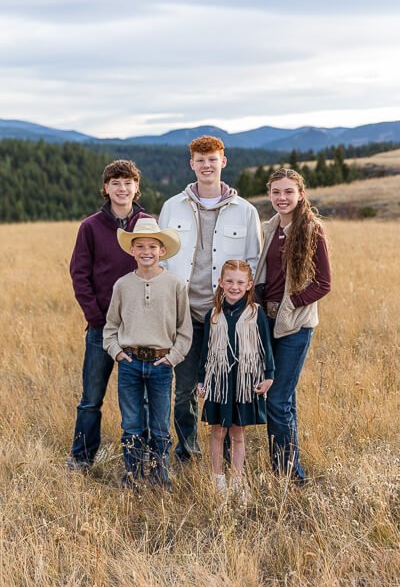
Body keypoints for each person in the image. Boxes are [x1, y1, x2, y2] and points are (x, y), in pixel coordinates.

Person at [158, 135, 262, 464]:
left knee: (227, 387)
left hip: (225, 317)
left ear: (223, 162)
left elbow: (254, 263)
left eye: (212, 159)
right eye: (200, 160)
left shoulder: (245, 211)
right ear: (191, 164)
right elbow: (161, 260)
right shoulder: (172, 207)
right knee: (185, 390)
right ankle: (187, 452)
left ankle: (230, 453)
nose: (206, 166)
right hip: (184, 314)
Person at [68, 159, 150, 470]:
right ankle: (81, 458)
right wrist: (97, 319)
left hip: (140, 328)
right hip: (101, 328)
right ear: (106, 188)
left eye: (128, 182)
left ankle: (141, 457)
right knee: (91, 398)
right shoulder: (91, 226)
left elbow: (156, 271)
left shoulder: (146, 223)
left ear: (136, 187)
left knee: (141, 399)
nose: (122, 188)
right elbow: (80, 275)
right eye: (115, 183)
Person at [254, 167, 331, 484]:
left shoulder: (313, 230)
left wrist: (291, 305)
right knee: (285, 400)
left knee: (277, 399)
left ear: (300, 194)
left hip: (295, 326)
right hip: (266, 322)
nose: (281, 198)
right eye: (275, 192)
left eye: (288, 191)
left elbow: (323, 283)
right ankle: (289, 468)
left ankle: (289, 476)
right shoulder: (270, 227)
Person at [103, 218, 192, 488]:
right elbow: (111, 326)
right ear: (131, 250)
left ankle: (159, 477)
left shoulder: (175, 285)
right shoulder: (122, 285)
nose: (146, 251)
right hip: (129, 362)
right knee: (131, 424)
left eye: (152, 246)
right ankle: (133, 476)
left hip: (161, 364)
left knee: (160, 425)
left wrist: (173, 357)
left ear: (162, 250)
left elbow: (184, 329)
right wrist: (117, 352)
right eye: (140, 246)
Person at [197, 260, 274, 495]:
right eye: (229, 281)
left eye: (240, 282)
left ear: (249, 285)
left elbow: (266, 348)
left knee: (238, 433)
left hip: (243, 382)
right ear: (220, 282)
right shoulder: (213, 316)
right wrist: (201, 380)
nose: (234, 286)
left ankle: (238, 481)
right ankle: (217, 479)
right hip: (219, 380)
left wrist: (269, 376)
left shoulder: (256, 314)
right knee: (217, 431)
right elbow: (205, 352)